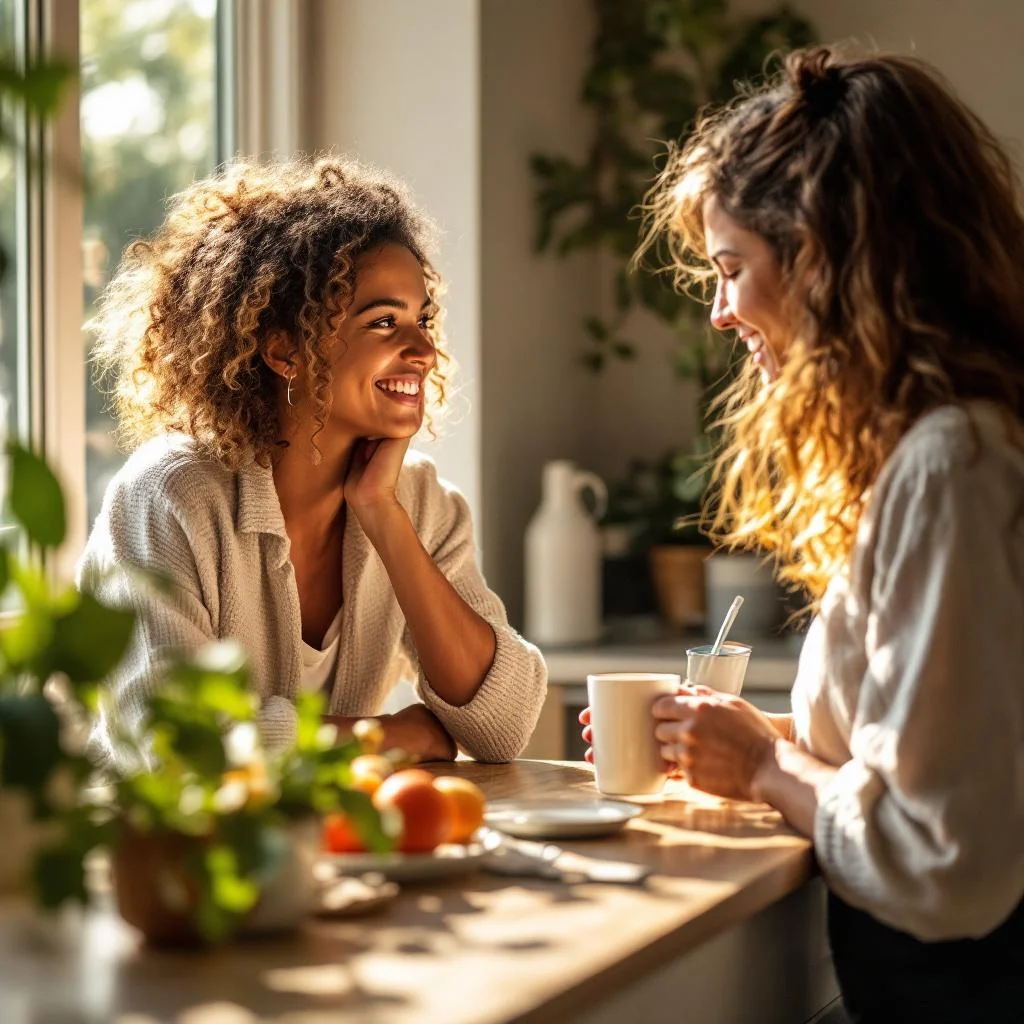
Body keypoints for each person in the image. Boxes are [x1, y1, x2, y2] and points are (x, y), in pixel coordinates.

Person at [581, 46, 1023, 1021]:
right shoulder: (947, 447)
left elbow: (947, 865)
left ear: (821, 254)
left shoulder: (951, 465)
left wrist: (763, 765)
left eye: (732, 268)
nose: (719, 310)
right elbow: (944, 752)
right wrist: (744, 738)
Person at [80, 156, 546, 767]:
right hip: (164, 855)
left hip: (335, 854)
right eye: (384, 321)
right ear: (283, 350)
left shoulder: (421, 501)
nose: (425, 351)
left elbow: (505, 727)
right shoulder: (169, 496)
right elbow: (172, 742)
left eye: (422, 320)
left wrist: (383, 516)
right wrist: (384, 737)